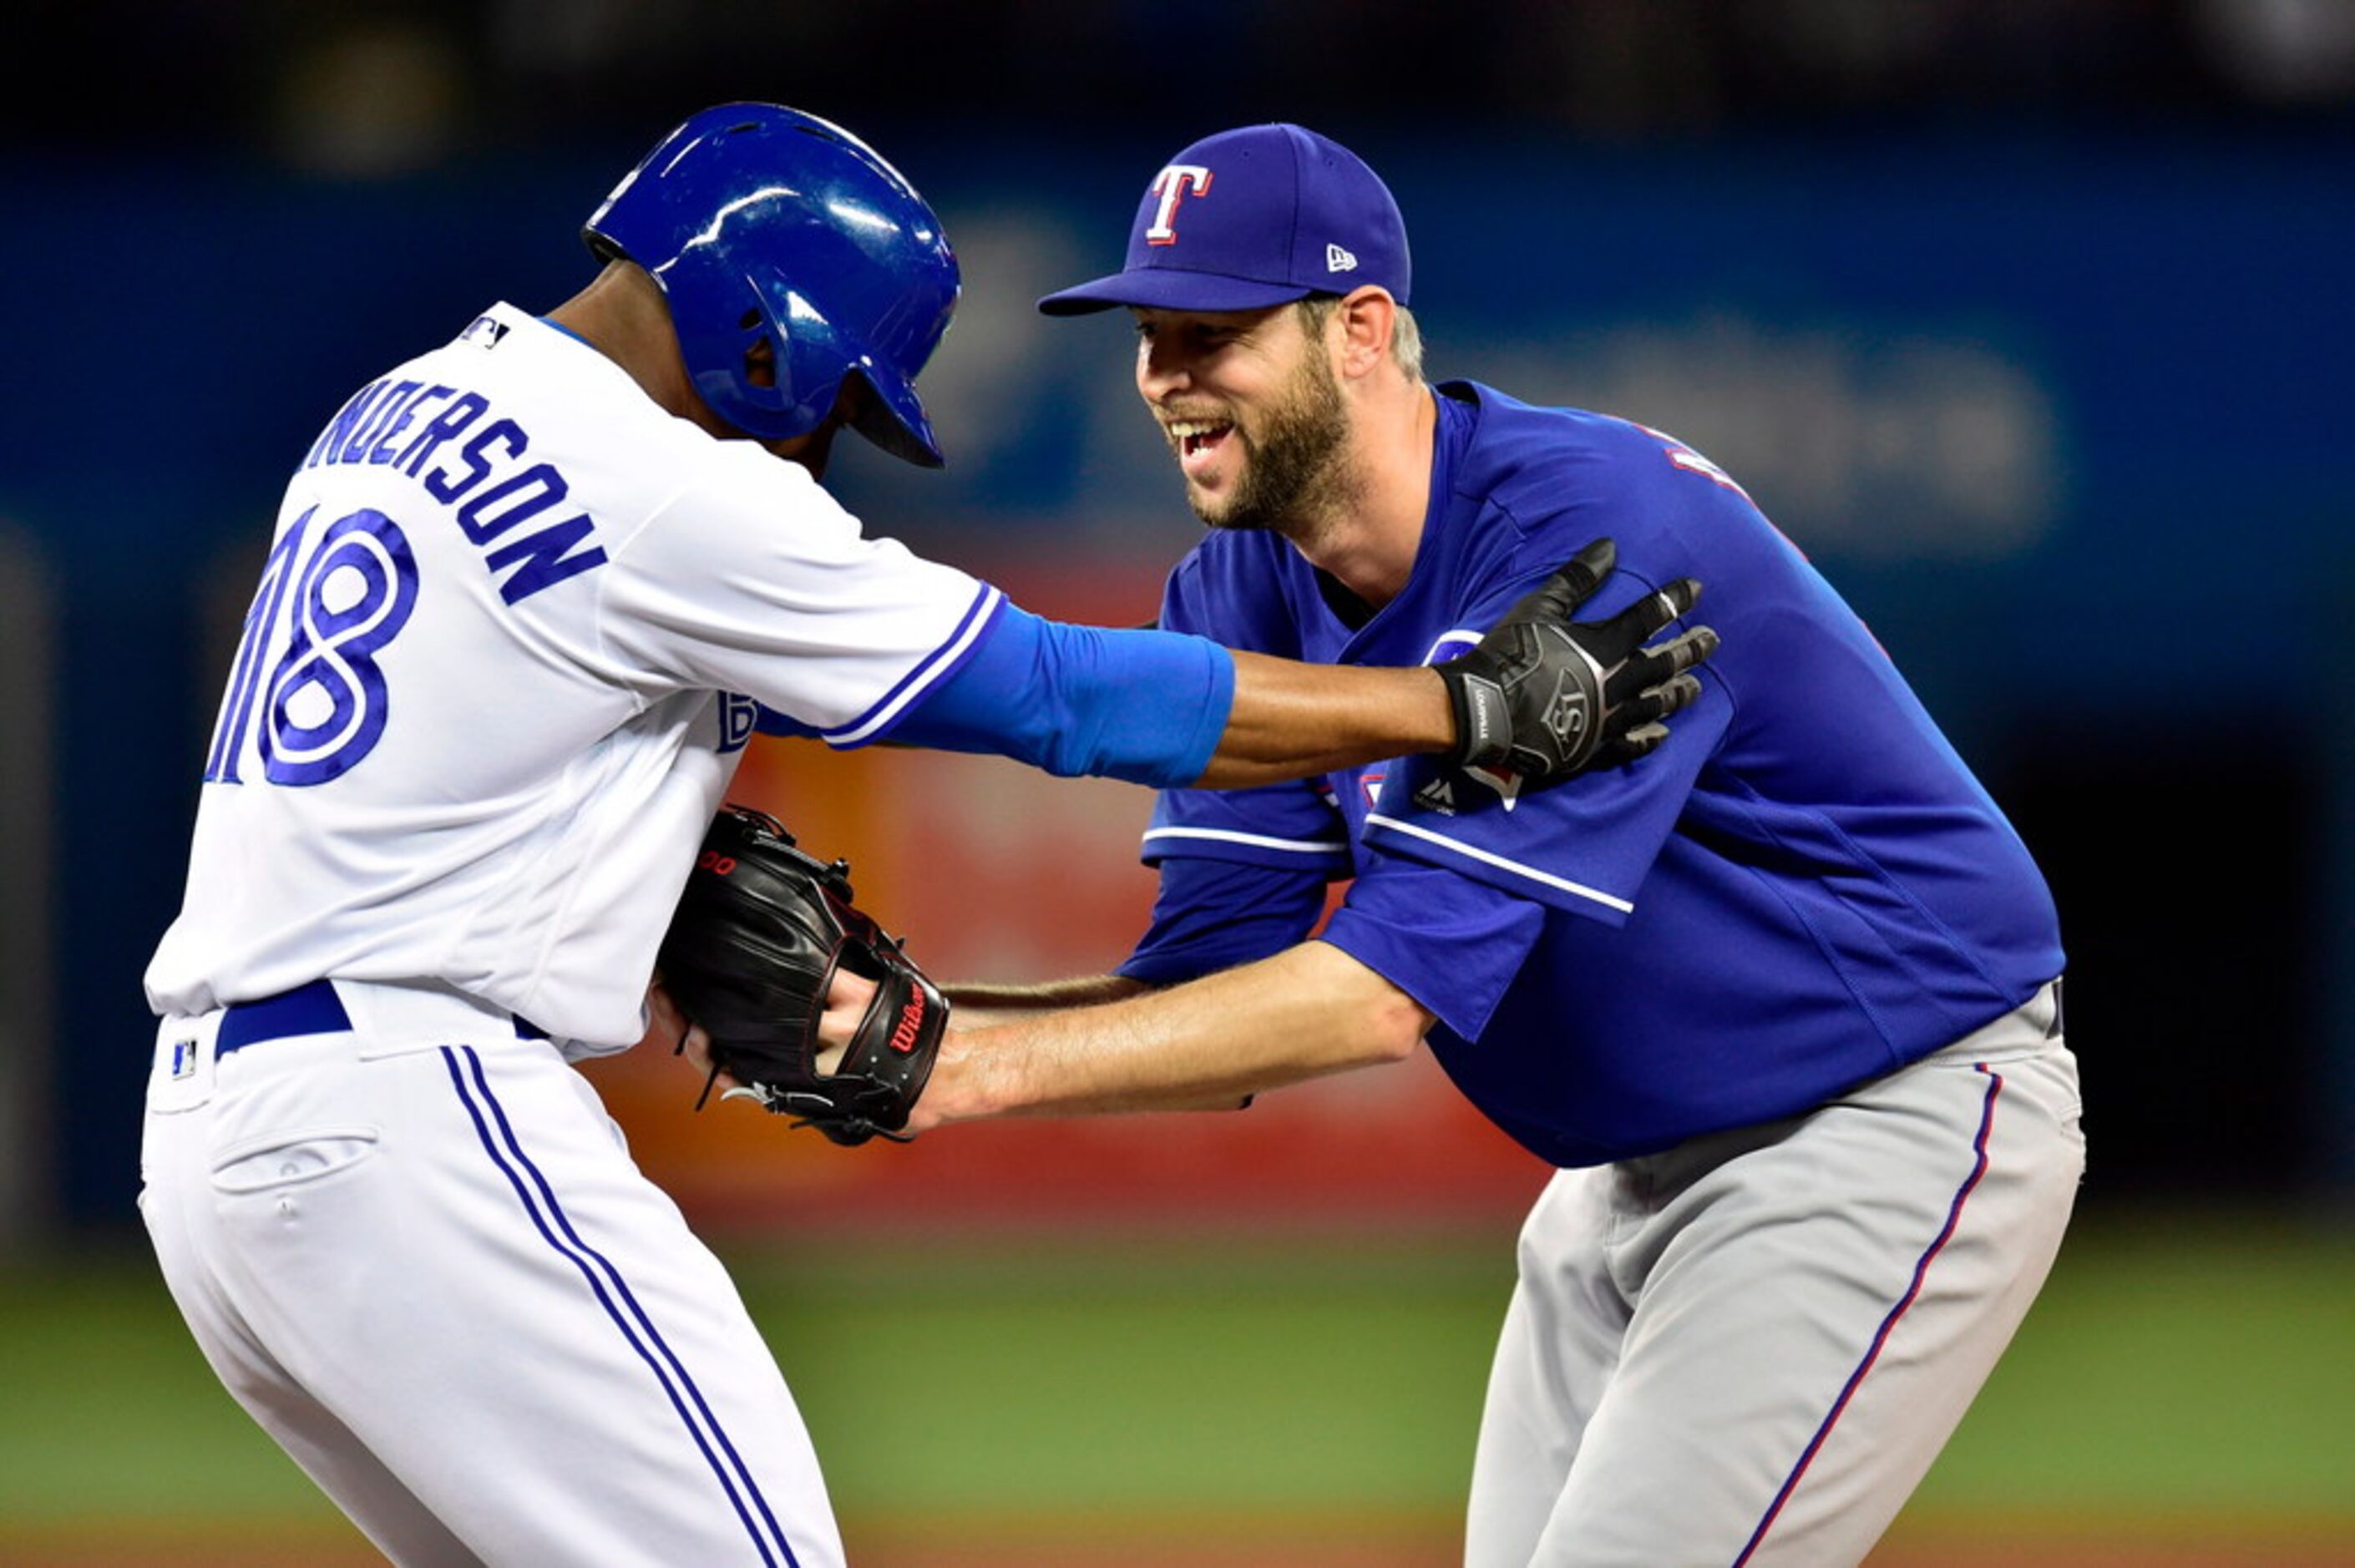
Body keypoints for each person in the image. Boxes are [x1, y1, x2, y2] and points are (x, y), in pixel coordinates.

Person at [134, 105, 1712, 1566]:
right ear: (767, 339)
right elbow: (1057, 690)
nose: (820, 442)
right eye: (836, 401)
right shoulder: (661, 484)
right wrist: (1457, 714)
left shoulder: (397, 408)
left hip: (217, 1157)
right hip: (414, 1120)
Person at [891, 122, 2084, 1566]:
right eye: (1150, 333)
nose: (1164, 377)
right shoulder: (1237, 588)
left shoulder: (1588, 549)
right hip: (1618, 1176)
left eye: (1212, 330)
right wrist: (917, 1025)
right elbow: (1207, 999)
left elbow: (1374, 997)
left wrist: (959, 1070)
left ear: (1362, 330)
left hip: (1881, 1115)